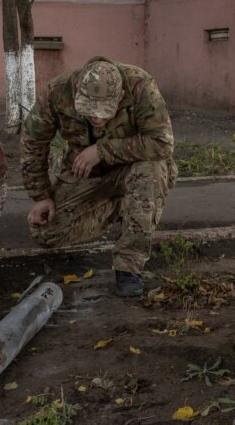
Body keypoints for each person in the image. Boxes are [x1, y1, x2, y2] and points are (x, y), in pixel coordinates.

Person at [21, 56, 177, 297]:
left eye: (105, 113)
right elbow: (33, 142)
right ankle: (122, 207)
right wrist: (40, 195)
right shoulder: (57, 92)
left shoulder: (141, 86)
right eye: (90, 112)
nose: (98, 119)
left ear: (120, 97)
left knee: (152, 171)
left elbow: (162, 143)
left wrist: (103, 150)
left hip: (133, 170)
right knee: (45, 233)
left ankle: (129, 265)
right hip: (86, 175)